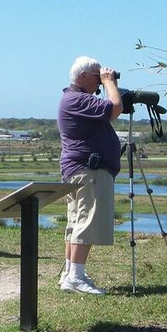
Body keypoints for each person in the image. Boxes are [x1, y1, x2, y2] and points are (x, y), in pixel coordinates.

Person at [57, 56, 123, 295]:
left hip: (81, 170)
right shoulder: (77, 99)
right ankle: (75, 277)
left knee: (77, 222)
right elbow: (115, 108)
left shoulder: (75, 99)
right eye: (97, 76)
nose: (100, 80)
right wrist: (110, 83)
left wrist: (107, 83)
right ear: (83, 76)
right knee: (86, 223)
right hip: (88, 171)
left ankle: (70, 273)